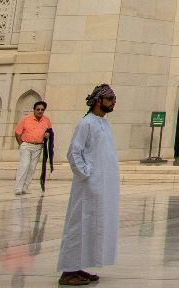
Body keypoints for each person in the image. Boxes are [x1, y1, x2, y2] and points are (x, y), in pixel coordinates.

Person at [56, 84, 119, 286]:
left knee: (93, 226)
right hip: (88, 187)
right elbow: (74, 153)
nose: (113, 103)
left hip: (101, 187)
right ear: (98, 101)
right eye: (109, 99)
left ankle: (79, 266)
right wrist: (87, 176)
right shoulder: (86, 123)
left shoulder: (103, 123)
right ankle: (68, 271)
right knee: (78, 226)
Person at [15, 99, 51, 196]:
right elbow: (17, 132)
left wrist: (47, 135)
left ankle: (25, 187)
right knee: (25, 165)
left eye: (42, 110)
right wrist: (21, 144)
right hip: (26, 145)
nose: (40, 111)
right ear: (34, 110)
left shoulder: (46, 121)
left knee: (32, 167)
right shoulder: (26, 119)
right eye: (38, 109)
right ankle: (18, 187)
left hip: (38, 146)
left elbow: (50, 132)